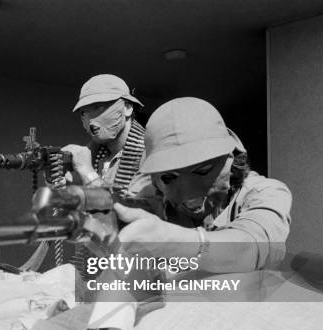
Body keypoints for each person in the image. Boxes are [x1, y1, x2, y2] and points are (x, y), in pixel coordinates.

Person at [111, 97, 291, 273]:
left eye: (203, 170)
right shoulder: (149, 196)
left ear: (232, 158)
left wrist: (171, 240)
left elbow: (251, 248)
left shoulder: (265, 193)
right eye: (169, 178)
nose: (188, 192)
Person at [62, 74, 150, 197]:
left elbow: (133, 208)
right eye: (84, 112)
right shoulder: (95, 154)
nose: (91, 121)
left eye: (99, 108)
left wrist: (88, 173)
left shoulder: (151, 153)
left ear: (128, 108)